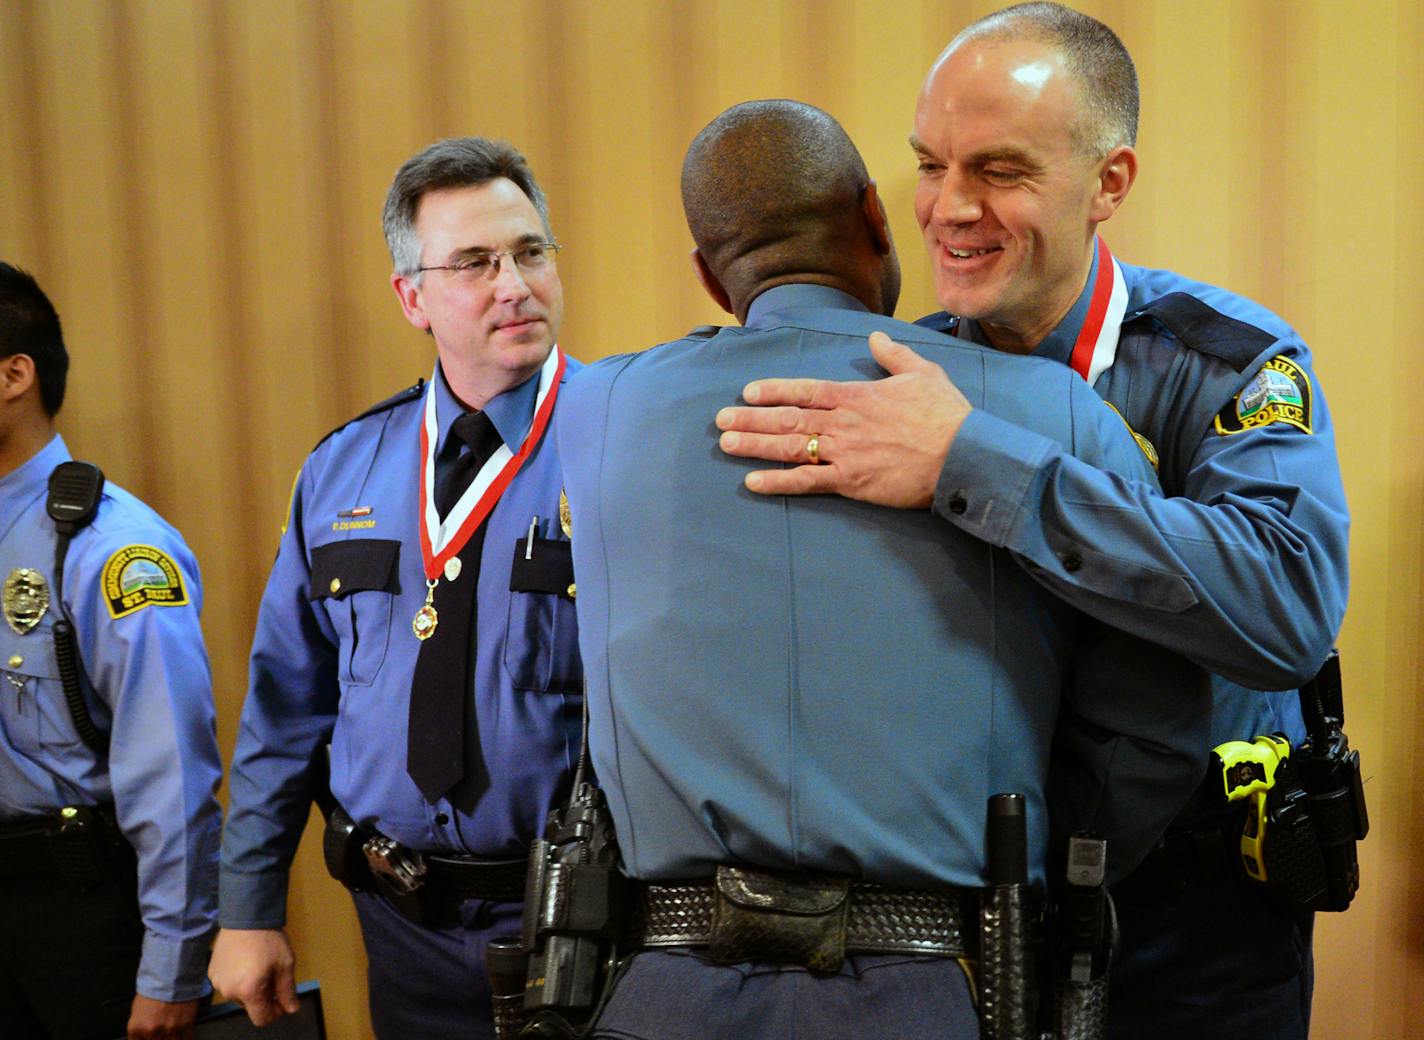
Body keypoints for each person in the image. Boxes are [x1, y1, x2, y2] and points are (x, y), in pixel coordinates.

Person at [714, 6, 1350, 1037]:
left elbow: (1285, 608)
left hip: (1193, 923)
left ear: (1108, 182)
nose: (947, 209)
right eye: (929, 165)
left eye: (997, 171)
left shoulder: (1223, 358)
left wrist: (971, 464)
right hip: (965, 903)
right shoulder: (892, 377)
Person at [553, 99, 1209, 1040]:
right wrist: (1049, 857)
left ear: (707, 274)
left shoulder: (594, 411)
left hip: (663, 991)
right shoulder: (1046, 410)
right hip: (941, 984)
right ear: (874, 215)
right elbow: (1153, 721)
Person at [209, 138, 584, 1039]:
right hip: (402, 924)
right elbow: (283, 712)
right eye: (474, 263)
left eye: (531, 252)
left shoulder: (621, 445)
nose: (514, 284)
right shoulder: (342, 471)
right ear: (412, 297)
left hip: (582, 923)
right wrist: (249, 909)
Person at [0, 262, 222, 1040]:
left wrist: (173, 970)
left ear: (13, 375)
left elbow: (174, 774)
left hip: (80, 915)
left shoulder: (111, 547)